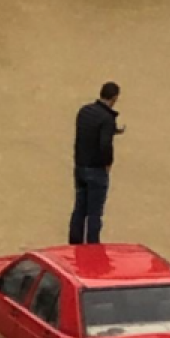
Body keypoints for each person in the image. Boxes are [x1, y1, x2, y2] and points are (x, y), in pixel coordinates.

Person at [68, 82, 125, 245]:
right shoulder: (107, 119)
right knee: (94, 214)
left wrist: (113, 129)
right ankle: (92, 249)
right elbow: (105, 145)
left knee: (79, 209)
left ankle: (74, 244)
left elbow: (88, 132)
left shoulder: (84, 111)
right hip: (96, 170)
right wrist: (108, 164)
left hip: (80, 166)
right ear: (114, 98)